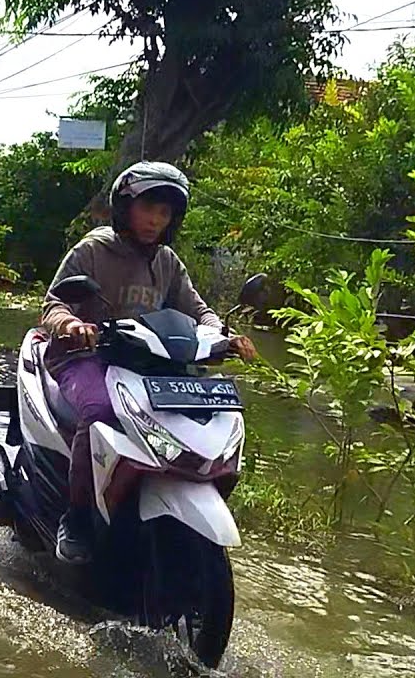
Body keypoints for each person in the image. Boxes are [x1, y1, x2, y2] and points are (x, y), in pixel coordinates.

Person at [40, 161, 259, 565]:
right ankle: (79, 517)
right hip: (84, 357)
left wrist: (221, 337)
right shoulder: (92, 250)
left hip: (148, 367)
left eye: (165, 212)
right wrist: (72, 323)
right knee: (101, 411)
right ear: (125, 207)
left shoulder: (168, 263)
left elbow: (197, 310)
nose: (155, 220)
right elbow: (53, 304)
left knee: (207, 413)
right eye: (148, 208)